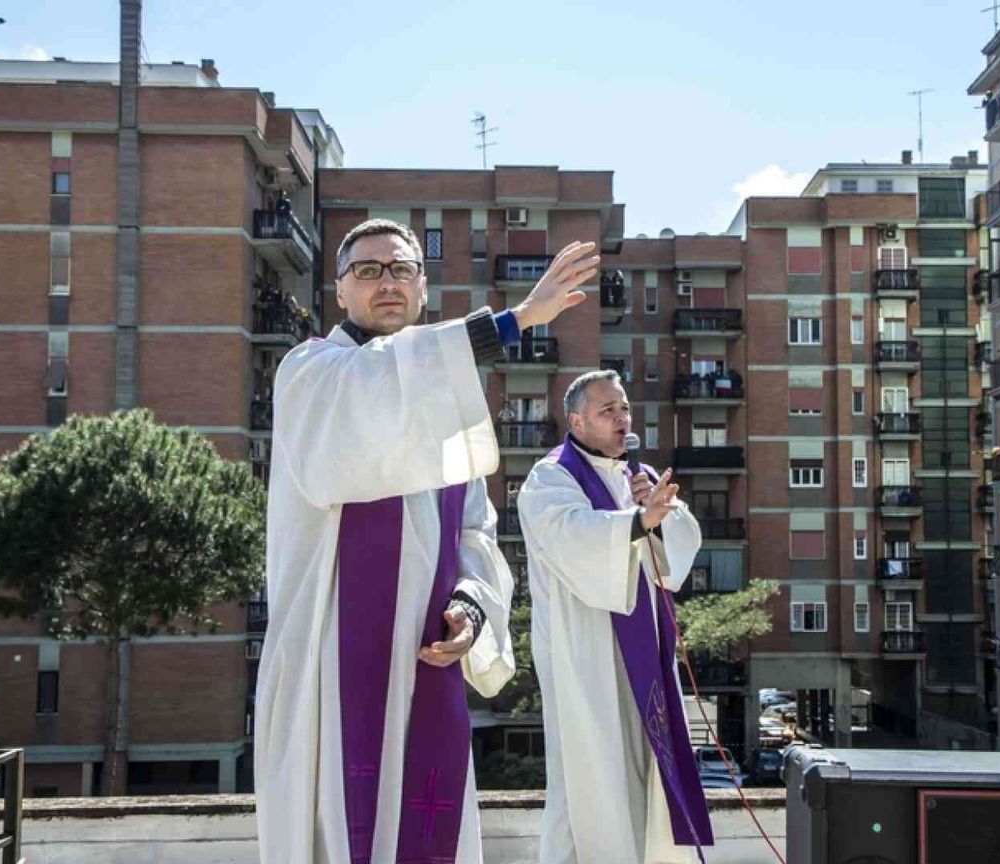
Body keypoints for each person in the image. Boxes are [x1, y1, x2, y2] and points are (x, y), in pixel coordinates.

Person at [254, 218, 600, 864]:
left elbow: (475, 533)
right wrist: (515, 321)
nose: (387, 282)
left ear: (422, 289)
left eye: (403, 270)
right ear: (340, 291)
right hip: (332, 659)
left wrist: (470, 608)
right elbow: (378, 385)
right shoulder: (311, 373)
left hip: (424, 660)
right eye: (368, 270)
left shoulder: (446, 409)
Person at [517, 370, 714, 864]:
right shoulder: (550, 477)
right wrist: (638, 521)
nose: (622, 418)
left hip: (646, 654)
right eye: (607, 410)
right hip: (586, 656)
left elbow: (680, 546)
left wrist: (658, 515)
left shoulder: (639, 477)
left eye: (624, 407)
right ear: (577, 421)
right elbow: (572, 537)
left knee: (648, 771)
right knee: (590, 778)